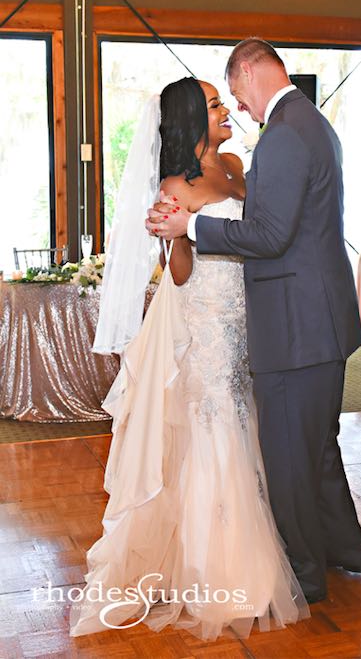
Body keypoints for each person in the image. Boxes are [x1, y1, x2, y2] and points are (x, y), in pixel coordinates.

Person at [69, 76, 310, 641]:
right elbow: (178, 275)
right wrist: (176, 236)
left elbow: (261, 233)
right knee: (214, 424)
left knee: (245, 418)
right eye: (213, 103)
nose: (225, 109)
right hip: (203, 322)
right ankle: (218, 569)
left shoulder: (232, 164)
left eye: (224, 100)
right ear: (187, 119)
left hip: (247, 315)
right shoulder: (174, 184)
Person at [147, 39, 361, 604]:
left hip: (296, 325)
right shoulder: (309, 123)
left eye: (235, 94)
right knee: (316, 444)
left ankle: (305, 574)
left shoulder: (283, 136)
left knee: (292, 455)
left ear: (249, 72)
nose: (239, 108)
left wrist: (192, 229)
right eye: (222, 105)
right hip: (305, 319)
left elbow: (272, 235)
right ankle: (344, 548)